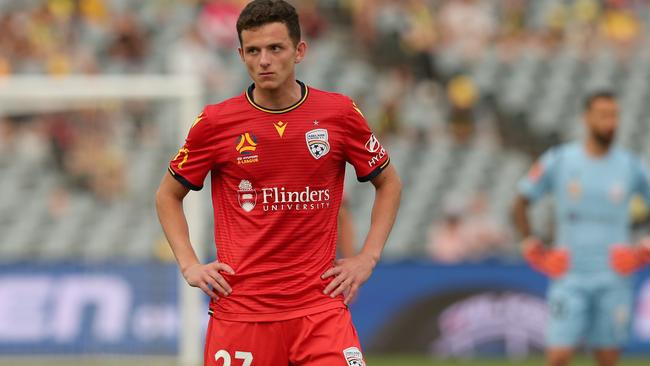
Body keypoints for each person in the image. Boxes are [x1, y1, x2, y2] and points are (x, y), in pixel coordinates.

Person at [155, 1, 402, 365]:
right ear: (240, 54)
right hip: (242, 315)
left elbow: (389, 183)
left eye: (275, 48)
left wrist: (367, 257)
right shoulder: (216, 123)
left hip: (319, 312)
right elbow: (167, 196)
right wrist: (190, 264)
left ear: (299, 51)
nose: (264, 60)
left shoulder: (338, 114)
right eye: (253, 51)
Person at [512, 91, 650, 366]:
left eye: (614, 116)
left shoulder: (631, 166)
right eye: (603, 115)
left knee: (607, 359)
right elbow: (520, 203)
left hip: (614, 277)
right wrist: (532, 247)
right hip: (569, 276)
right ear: (586, 118)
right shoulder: (560, 160)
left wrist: (644, 249)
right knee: (559, 356)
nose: (610, 122)